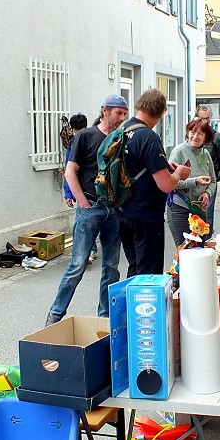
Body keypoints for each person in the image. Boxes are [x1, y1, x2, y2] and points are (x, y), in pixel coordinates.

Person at [45, 95, 129, 325]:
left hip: (114, 211)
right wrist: (82, 201)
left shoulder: (123, 139)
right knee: (78, 264)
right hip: (90, 208)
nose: (122, 118)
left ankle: (104, 318)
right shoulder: (86, 136)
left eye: (124, 114)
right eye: (118, 113)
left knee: (112, 268)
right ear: (104, 111)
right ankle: (55, 315)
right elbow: (70, 170)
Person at [117, 89, 190, 276]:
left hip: (123, 211)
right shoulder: (148, 137)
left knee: (134, 269)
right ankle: (143, 307)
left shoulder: (123, 130)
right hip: (145, 216)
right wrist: (179, 173)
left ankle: (129, 306)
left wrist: (165, 166)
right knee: (148, 274)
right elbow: (165, 185)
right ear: (160, 113)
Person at [167, 118, 217, 248]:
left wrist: (207, 193)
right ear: (187, 133)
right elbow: (171, 181)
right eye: (192, 132)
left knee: (199, 249)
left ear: (206, 137)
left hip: (200, 209)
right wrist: (194, 181)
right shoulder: (179, 151)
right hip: (180, 208)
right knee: (186, 250)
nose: (195, 136)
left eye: (200, 133)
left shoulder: (205, 154)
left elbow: (213, 181)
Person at [62, 113, 97, 265]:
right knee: (85, 224)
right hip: (86, 190)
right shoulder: (84, 140)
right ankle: (88, 252)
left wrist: (69, 194)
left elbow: (67, 170)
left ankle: (87, 252)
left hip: (84, 191)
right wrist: (70, 194)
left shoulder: (79, 141)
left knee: (84, 224)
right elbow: (69, 171)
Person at [194, 105, 220, 233]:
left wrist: (217, 178)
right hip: (194, 181)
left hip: (209, 181)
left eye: (207, 118)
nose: (204, 121)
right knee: (194, 214)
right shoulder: (193, 135)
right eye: (202, 118)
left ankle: (207, 240)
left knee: (207, 213)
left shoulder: (217, 137)